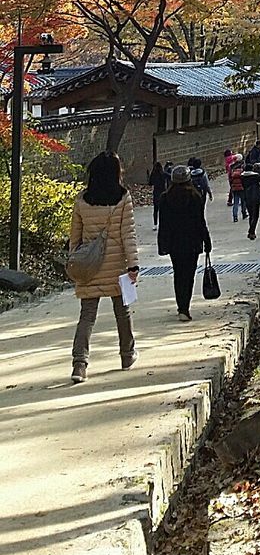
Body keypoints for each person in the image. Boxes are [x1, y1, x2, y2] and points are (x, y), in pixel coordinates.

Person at [68, 151, 139, 384]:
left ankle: (80, 365)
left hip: (90, 266)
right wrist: (133, 265)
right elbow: (128, 234)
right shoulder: (123, 197)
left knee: (87, 316)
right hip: (117, 266)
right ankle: (127, 356)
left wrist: (74, 263)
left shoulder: (82, 199)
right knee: (123, 312)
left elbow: (74, 237)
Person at [157, 165, 212, 320]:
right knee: (189, 274)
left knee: (178, 273)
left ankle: (181, 306)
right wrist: (206, 241)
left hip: (174, 243)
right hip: (192, 242)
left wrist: (162, 245)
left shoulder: (164, 198)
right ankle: (185, 307)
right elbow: (201, 222)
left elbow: (164, 225)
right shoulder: (195, 197)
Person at [241, 154, 260, 240]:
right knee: (256, 216)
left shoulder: (242, 177)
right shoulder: (255, 177)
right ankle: (251, 231)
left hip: (247, 197)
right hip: (255, 197)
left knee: (251, 215)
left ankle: (252, 232)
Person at [228, 153, 247, 223]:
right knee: (243, 201)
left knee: (235, 202)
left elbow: (230, 177)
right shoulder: (243, 166)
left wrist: (231, 186)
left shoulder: (232, 167)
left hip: (234, 187)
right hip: (242, 187)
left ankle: (235, 216)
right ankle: (244, 213)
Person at [148, 160, 166, 228]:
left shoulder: (153, 175)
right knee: (163, 210)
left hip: (156, 193)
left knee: (156, 210)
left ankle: (155, 224)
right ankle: (162, 223)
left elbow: (150, 183)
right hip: (163, 192)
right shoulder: (163, 174)